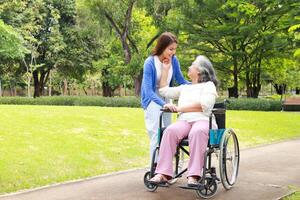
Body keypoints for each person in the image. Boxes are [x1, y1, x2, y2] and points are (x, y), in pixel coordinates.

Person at [149, 55, 218, 186]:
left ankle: (194, 175)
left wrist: (180, 108)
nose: (189, 67)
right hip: (185, 120)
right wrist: (165, 68)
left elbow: (204, 105)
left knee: (196, 133)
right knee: (170, 131)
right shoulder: (185, 87)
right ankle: (163, 173)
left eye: (192, 65)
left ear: (199, 71)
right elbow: (163, 90)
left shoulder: (209, 86)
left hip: (202, 120)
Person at [141, 32, 189, 161]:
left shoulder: (174, 60)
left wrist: (198, 86)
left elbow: (181, 80)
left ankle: (165, 168)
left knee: (168, 133)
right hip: (152, 100)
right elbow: (148, 91)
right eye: (170, 49)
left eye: (175, 49)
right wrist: (163, 104)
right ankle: (155, 168)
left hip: (166, 97)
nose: (173, 52)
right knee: (156, 134)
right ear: (162, 47)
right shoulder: (150, 63)